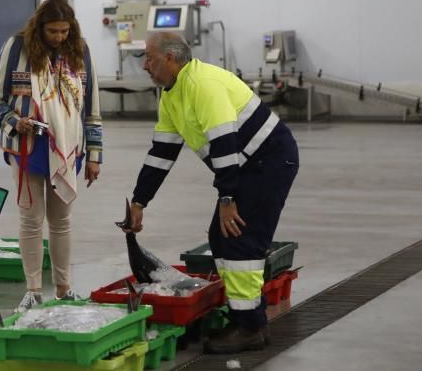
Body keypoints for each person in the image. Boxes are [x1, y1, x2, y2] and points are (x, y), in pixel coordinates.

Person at [125, 31, 299, 354]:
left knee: (238, 239)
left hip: (268, 162)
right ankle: (248, 316)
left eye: (149, 58)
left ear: (170, 59)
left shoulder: (202, 85)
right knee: (220, 238)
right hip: (245, 167)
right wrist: (139, 201)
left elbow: (225, 144)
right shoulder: (171, 95)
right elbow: (161, 154)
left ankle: (250, 328)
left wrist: (227, 199)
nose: (144, 65)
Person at [0, 0, 103, 312]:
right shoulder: (17, 47)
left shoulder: (81, 49)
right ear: (40, 27)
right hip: (28, 149)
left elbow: (91, 107)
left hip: (68, 149)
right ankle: (34, 289)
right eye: (53, 31)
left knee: (62, 221)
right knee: (30, 220)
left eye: (65, 31)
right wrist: (15, 121)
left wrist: (94, 155)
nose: (59, 37)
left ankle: (64, 289)